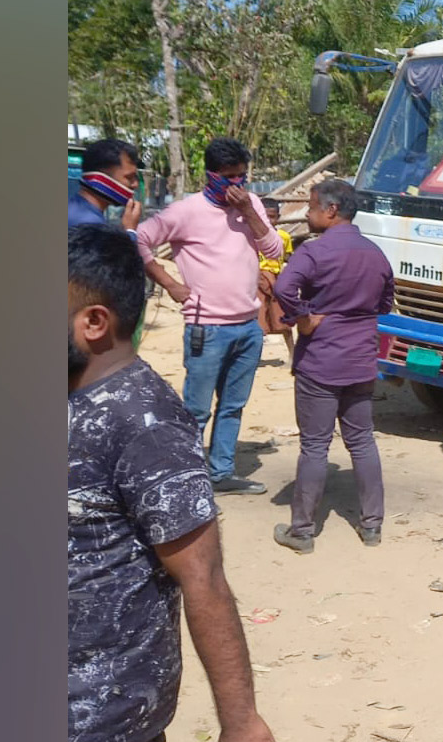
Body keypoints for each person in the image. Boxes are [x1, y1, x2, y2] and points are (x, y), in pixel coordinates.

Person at [68, 224, 275, 742]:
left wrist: (241, 723)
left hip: (98, 715)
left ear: (94, 322)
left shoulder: (147, 425)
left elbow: (202, 577)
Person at [135, 137, 284, 495]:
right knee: (196, 411)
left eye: (242, 177)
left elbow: (274, 250)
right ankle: (186, 479)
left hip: (248, 327)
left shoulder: (253, 206)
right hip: (207, 328)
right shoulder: (185, 212)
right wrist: (170, 283)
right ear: (211, 175)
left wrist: (249, 211)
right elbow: (139, 240)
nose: (237, 184)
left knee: (233, 407)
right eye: (229, 177)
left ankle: (221, 474)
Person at [270, 179, 395, 553]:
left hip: (321, 362)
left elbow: (281, 290)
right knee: (362, 440)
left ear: (330, 210)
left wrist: (304, 316)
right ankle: (372, 526)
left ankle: (302, 531)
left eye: (310, 207)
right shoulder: (376, 254)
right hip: (360, 361)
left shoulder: (313, 252)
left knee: (314, 446)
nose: (307, 214)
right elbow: (385, 304)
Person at [70, 138, 144, 234]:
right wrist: (130, 230)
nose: (136, 184)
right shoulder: (91, 226)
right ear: (101, 178)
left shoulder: (73, 208)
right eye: (129, 177)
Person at [255, 197, 295, 361]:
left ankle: (293, 356)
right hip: (258, 280)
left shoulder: (284, 237)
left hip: (277, 280)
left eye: (273, 217)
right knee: (258, 321)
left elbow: (288, 258)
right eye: (266, 217)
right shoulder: (253, 236)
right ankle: (254, 359)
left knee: (283, 319)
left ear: (278, 218)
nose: (270, 221)